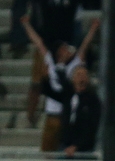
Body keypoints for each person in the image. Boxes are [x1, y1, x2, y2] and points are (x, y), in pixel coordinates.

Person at [20, 14, 99, 152]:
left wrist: (93, 29)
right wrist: (27, 25)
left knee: (59, 151)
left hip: (65, 115)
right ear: (59, 53)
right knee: (48, 153)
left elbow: (85, 46)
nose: (68, 50)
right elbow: (38, 42)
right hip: (55, 114)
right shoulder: (53, 62)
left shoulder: (72, 63)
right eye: (64, 48)